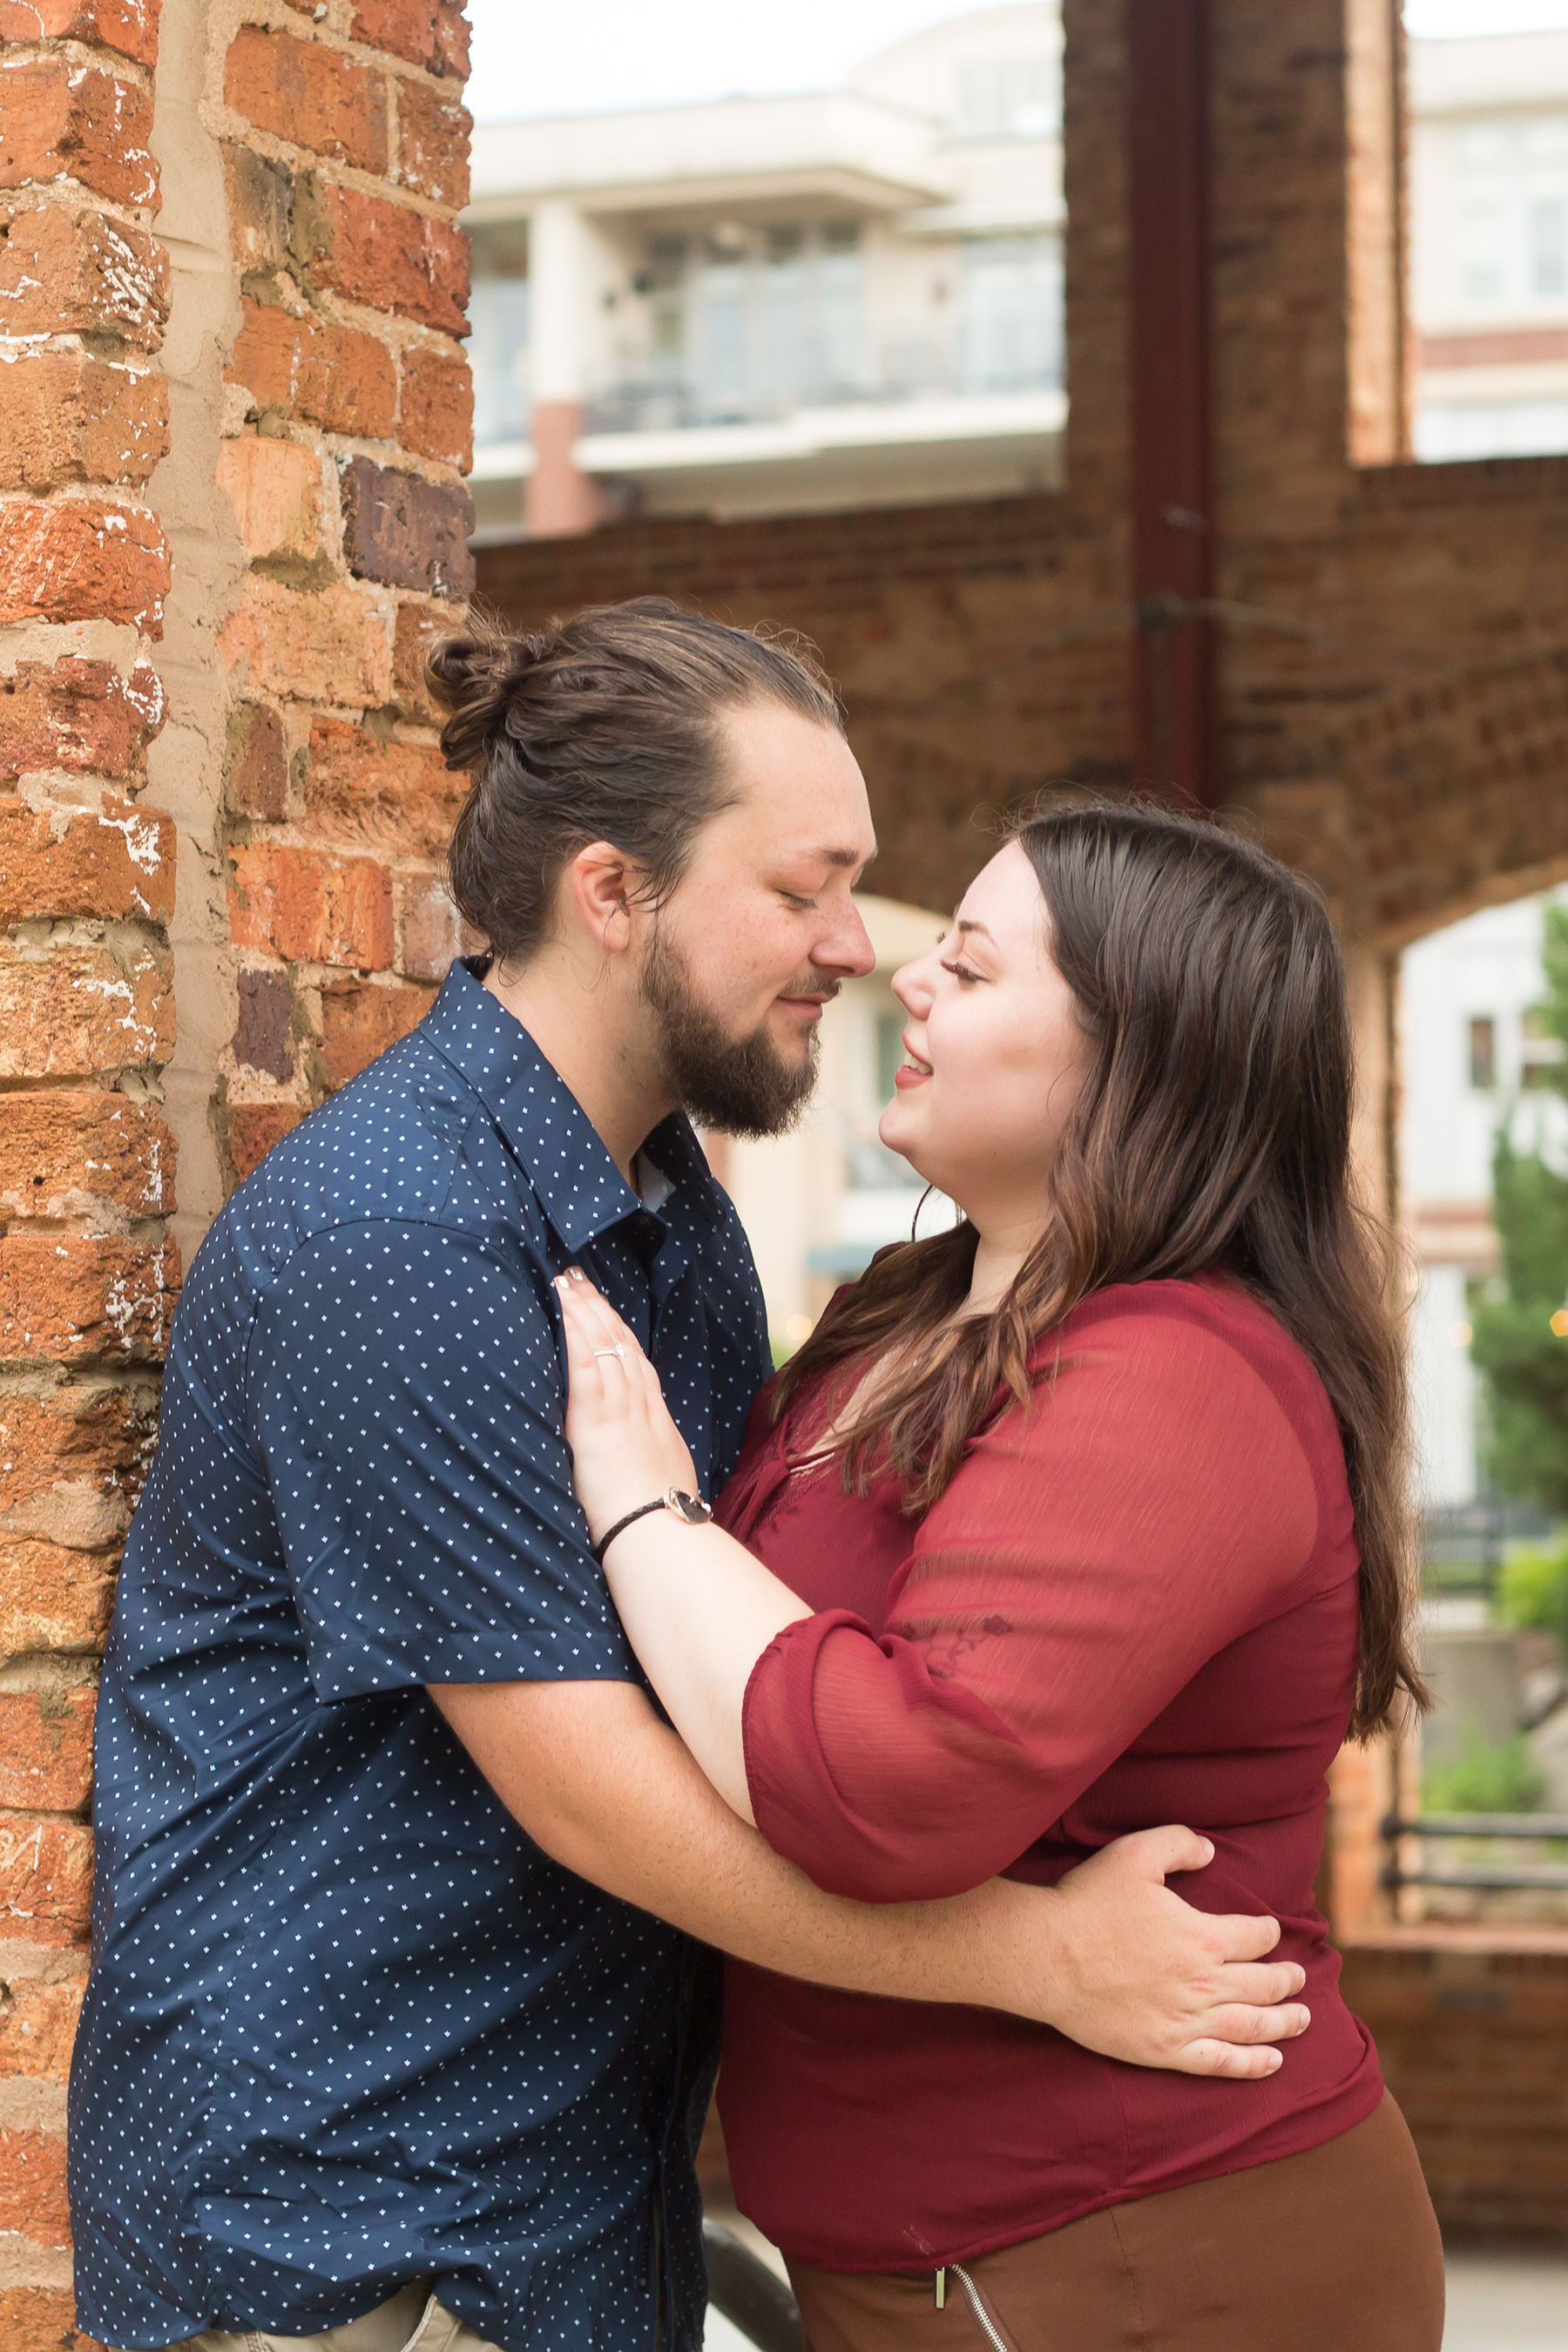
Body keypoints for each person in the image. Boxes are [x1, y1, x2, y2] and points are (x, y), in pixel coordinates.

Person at [69, 606, 1308, 2352]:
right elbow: (584, 1784)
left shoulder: (674, 1223)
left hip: (566, 2203)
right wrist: (1032, 1957)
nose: (850, 949)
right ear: (612, 893)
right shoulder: (404, 1234)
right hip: (352, 2222)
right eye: (804, 890)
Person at [555, 799, 1449, 2352]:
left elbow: (892, 1782)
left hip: (1142, 2255)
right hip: (933, 2258)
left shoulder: (1182, 1374)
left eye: (971, 969)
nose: (907, 983)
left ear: (1134, 1057)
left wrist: (644, 1514)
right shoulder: (904, 1316)